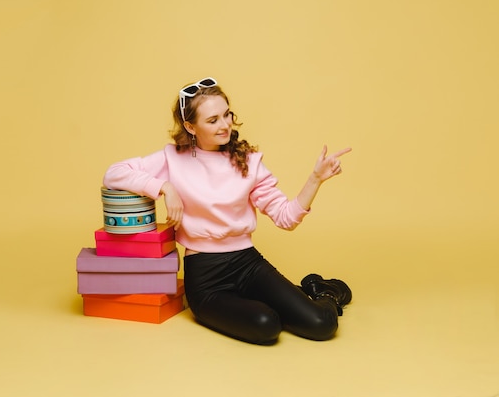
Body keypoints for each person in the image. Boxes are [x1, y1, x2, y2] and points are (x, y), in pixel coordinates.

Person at [103, 77, 352, 345]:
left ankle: (322, 291)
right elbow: (113, 174)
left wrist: (315, 179)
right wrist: (163, 186)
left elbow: (286, 218)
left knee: (322, 325)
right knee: (267, 325)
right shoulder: (172, 158)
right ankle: (288, 297)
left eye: (227, 114)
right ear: (190, 126)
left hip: (248, 263)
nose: (224, 125)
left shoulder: (249, 162)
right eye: (212, 120)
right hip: (206, 277)